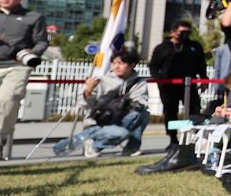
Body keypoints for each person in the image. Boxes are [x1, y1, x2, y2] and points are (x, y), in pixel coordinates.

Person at [0, 0, 48, 161]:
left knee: (8, 99)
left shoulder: (34, 17)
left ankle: (2, 136)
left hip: (17, 65)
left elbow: (42, 41)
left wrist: (33, 52)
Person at [55, 50, 150, 158]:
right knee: (121, 133)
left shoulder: (138, 82)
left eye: (121, 63)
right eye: (114, 63)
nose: (116, 67)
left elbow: (142, 100)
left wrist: (134, 104)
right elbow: (83, 104)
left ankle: (131, 147)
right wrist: (88, 90)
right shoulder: (102, 81)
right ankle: (94, 146)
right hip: (98, 121)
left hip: (120, 117)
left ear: (132, 65)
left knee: (143, 114)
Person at [147, 19, 208, 149]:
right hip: (168, 86)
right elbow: (153, 65)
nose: (186, 34)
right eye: (182, 32)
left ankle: (198, 137)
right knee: (170, 112)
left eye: (188, 32)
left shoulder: (195, 46)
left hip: (189, 84)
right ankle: (173, 139)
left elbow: (201, 65)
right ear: (173, 32)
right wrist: (159, 79)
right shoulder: (162, 48)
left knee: (194, 110)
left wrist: (204, 79)